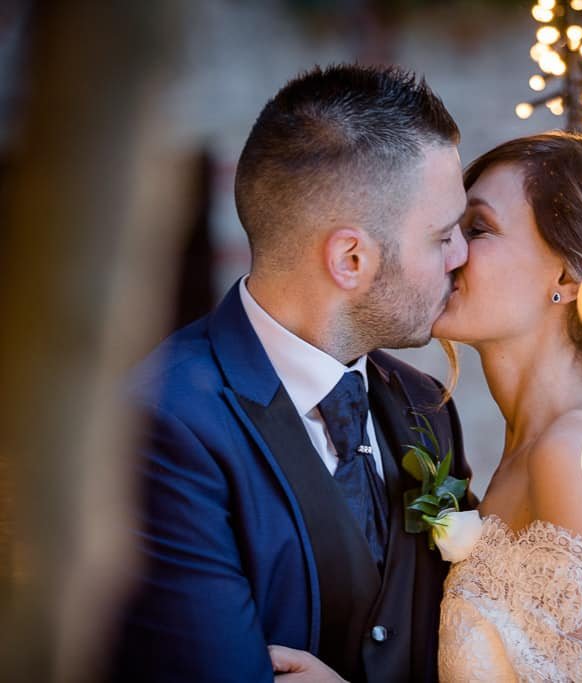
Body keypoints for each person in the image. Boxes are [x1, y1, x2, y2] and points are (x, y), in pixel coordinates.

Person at [271, 133, 582, 681]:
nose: (450, 252)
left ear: (569, 276)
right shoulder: (529, 445)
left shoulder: (581, 458)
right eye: (448, 230)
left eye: (477, 229)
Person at [110, 64, 474, 683]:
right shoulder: (162, 424)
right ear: (351, 258)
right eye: (442, 236)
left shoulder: (424, 405)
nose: (462, 254)